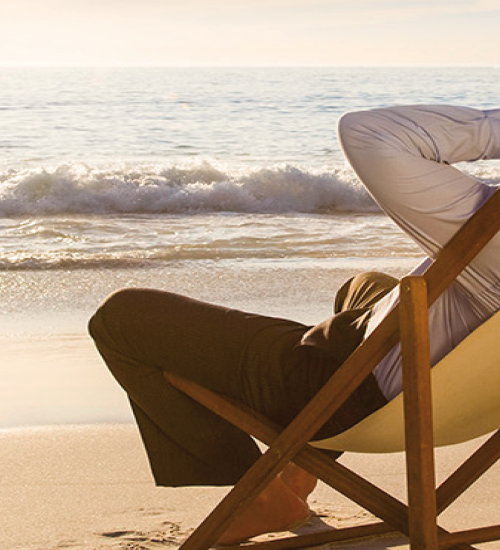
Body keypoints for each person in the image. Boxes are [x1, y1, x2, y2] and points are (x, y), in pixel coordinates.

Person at [88, 105, 500, 545]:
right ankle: (299, 471)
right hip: (466, 406)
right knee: (366, 285)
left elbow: (367, 133)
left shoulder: (489, 228)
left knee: (120, 318)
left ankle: (266, 497)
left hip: (348, 392)